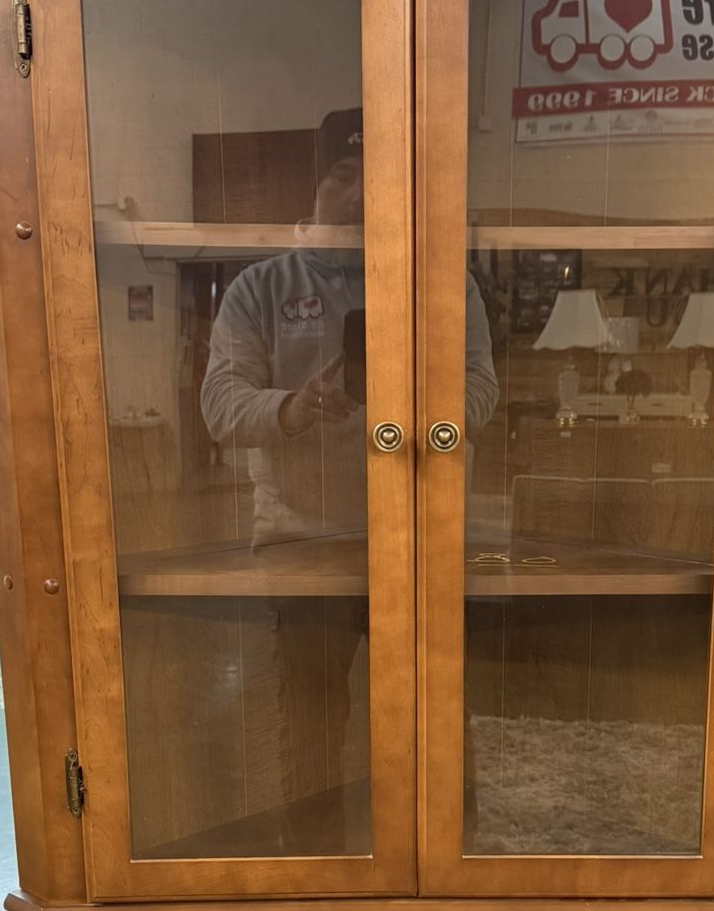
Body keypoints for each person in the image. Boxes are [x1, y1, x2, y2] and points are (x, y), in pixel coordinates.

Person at [198, 108, 499, 840]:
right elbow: (220, 406)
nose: (361, 194)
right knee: (309, 716)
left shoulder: (441, 282)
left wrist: (424, 412)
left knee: (433, 712)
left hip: (422, 540)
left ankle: (448, 862)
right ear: (315, 182)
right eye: (343, 173)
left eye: (378, 176)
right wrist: (294, 407)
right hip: (301, 542)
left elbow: (479, 389)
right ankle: (318, 865)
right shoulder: (258, 288)